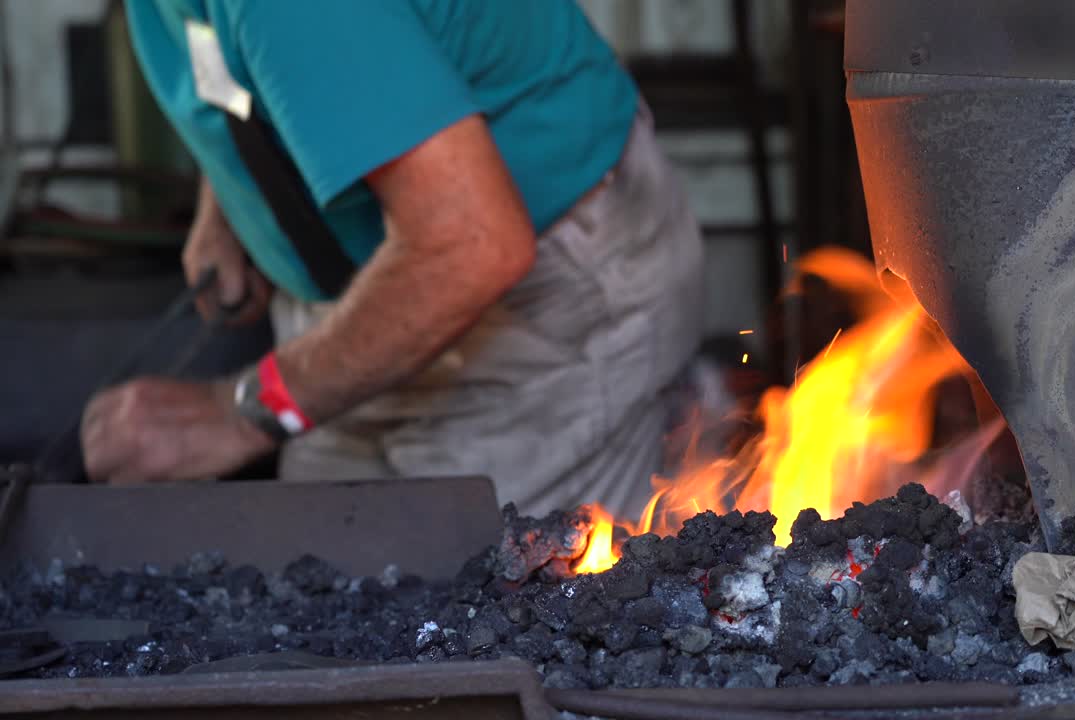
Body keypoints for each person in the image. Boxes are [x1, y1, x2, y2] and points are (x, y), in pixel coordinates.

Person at [80, 0, 704, 519]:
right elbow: (240, 52)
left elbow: (471, 244)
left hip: (534, 295)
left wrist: (241, 412)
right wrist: (233, 204)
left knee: (500, 627)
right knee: (333, 605)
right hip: (367, 294)